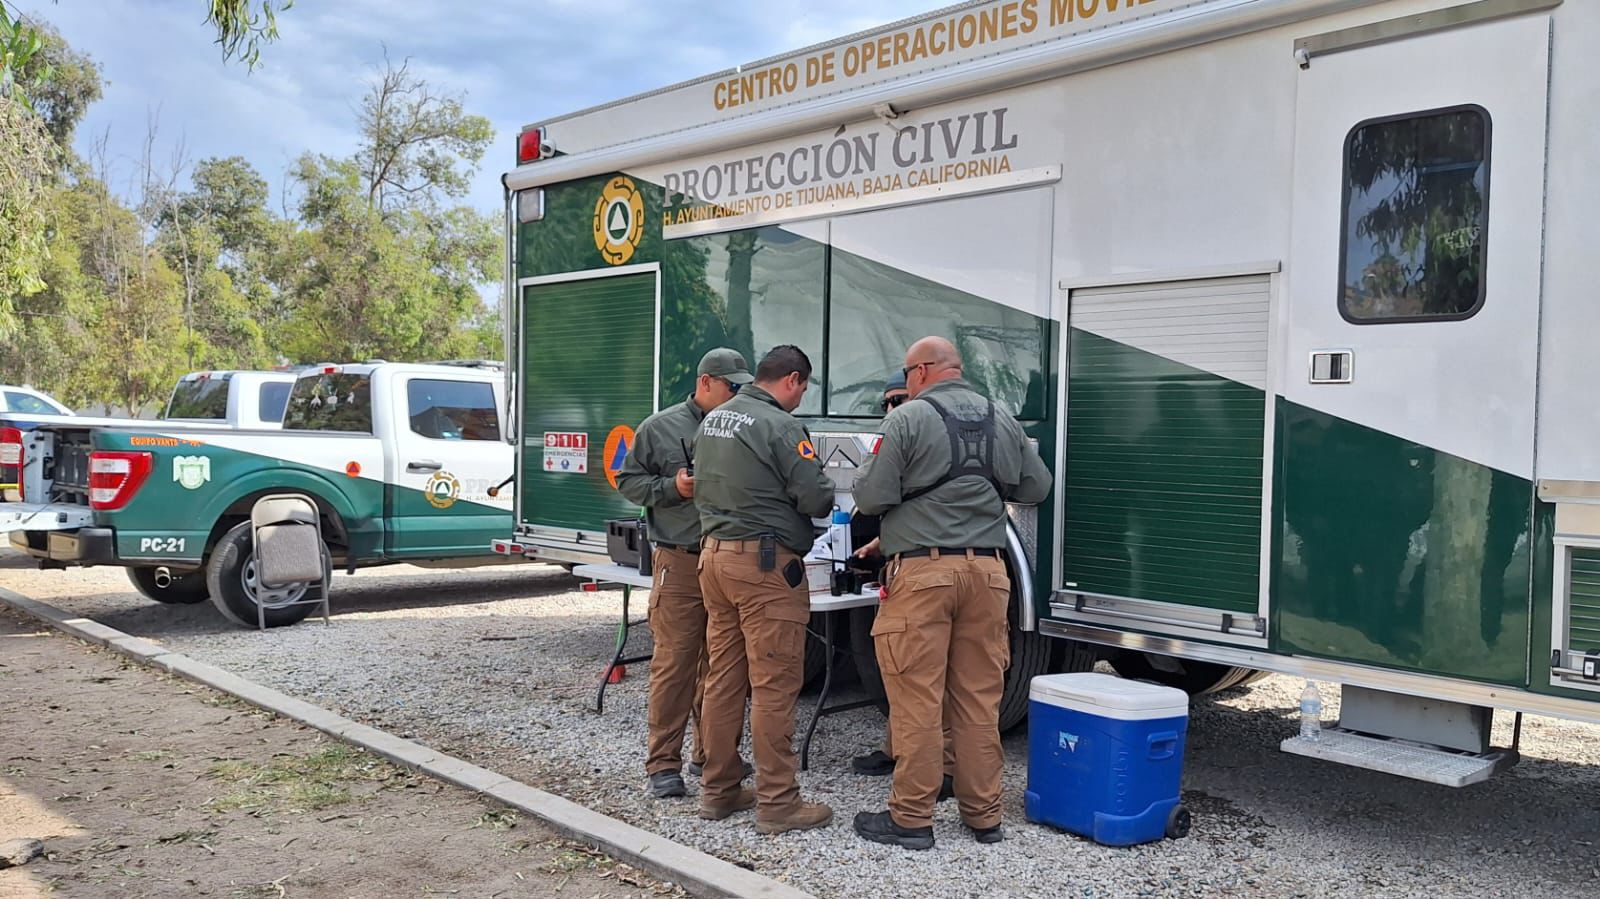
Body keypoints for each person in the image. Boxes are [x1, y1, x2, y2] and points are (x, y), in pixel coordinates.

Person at [851, 336, 1053, 851]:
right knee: (978, 700)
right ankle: (984, 816)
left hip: (922, 576)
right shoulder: (1000, 418)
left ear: (920, 371)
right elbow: (1036, 488)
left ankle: (912, 819)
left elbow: (873, 496)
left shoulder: (907, 418)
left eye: (906, 373)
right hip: (988, 573)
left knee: (918, 699)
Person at [693, 345, 837, 835]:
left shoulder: (715, 418)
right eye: (803, 389)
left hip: (714, 558)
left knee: (724, 680)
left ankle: (719, 790)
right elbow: (815, 495)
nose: (800, 398)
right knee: (774, 686)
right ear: (793, 380)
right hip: (765, 567)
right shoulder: (780, 425)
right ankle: (778, 803)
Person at [616, 348, 752, 799]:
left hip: (728, 558)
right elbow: (628, 481)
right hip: (681, 560)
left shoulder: (739, 428)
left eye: (742, 388)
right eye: (732, 387)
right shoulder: (660, 427)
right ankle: (663, 764)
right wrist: (672, 488)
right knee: (675, 663)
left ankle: (711, 756)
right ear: (707, 382)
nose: (737, 395)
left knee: (722, 665)